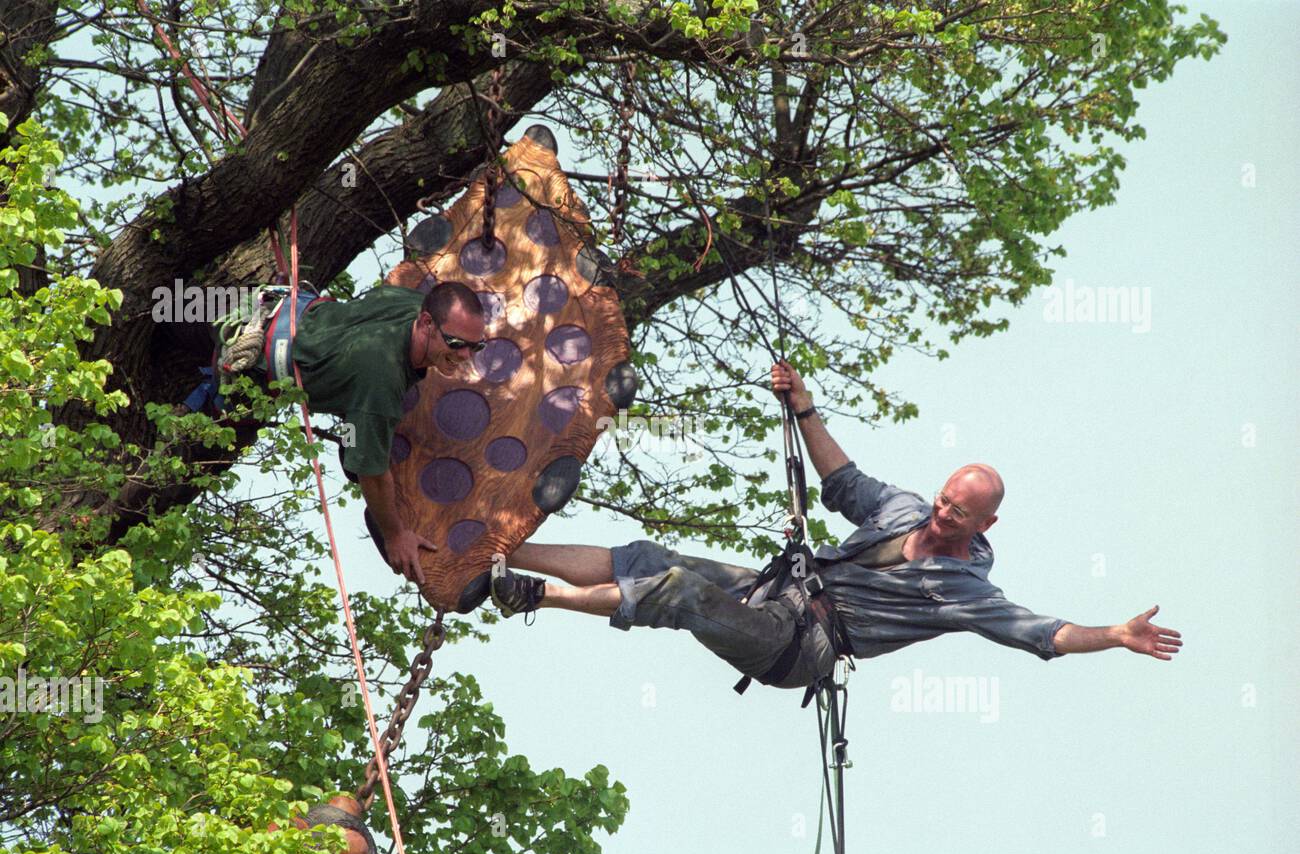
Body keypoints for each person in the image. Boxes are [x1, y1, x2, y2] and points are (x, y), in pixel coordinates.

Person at [487, 360, 1183, 689]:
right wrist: (804, 407)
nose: (942, 514)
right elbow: (843, 481)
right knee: (647, 554)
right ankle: (507, 547)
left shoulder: (963, 587)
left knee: (677, 591)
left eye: (958, 512)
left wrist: (1114, 635)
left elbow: (1045, 633)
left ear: (985, 523)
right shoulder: (906, 509)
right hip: (776, 589)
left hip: (803, 645)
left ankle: (534, 595)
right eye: (944, 499)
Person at [209, 281, 487, 585]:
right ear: (426, 323)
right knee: (197, 451)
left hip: (270, 308)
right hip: (245, 360)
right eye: (455, 344)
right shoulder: (381, 381)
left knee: (169, 304)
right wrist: (395, 535)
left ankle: (352, 430)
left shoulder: (412, 303)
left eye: (476, 346)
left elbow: (382, 296)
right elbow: (373, 474)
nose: (465, 356)